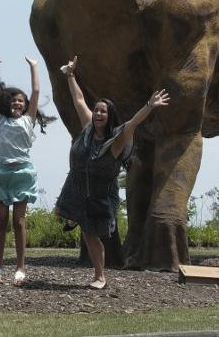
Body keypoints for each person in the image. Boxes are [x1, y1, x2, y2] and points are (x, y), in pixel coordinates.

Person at [53, 55, 169, 289]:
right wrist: (70, 75)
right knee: (74, 222)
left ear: (109, 116)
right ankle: (74, 217)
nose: (97, 114)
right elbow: (78, 99)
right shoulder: (87, 127)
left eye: (102, 112)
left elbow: (134, 122)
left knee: (92, 235)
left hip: (99, 194)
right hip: (77, 185)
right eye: (96, 110)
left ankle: (100, 277)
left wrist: (150, 105)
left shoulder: (115, 140)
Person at [0, 55, 53, 285]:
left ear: (26, 106)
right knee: (1, 219)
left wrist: (34, 67)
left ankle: (21, 267)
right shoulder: (1, 118)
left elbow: (35, 92)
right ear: (8, 103)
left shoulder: (28, 120)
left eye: (21, 101)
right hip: (0, 172)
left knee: (19, 221)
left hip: (22, 171)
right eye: (14, 100)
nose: (17, 103)